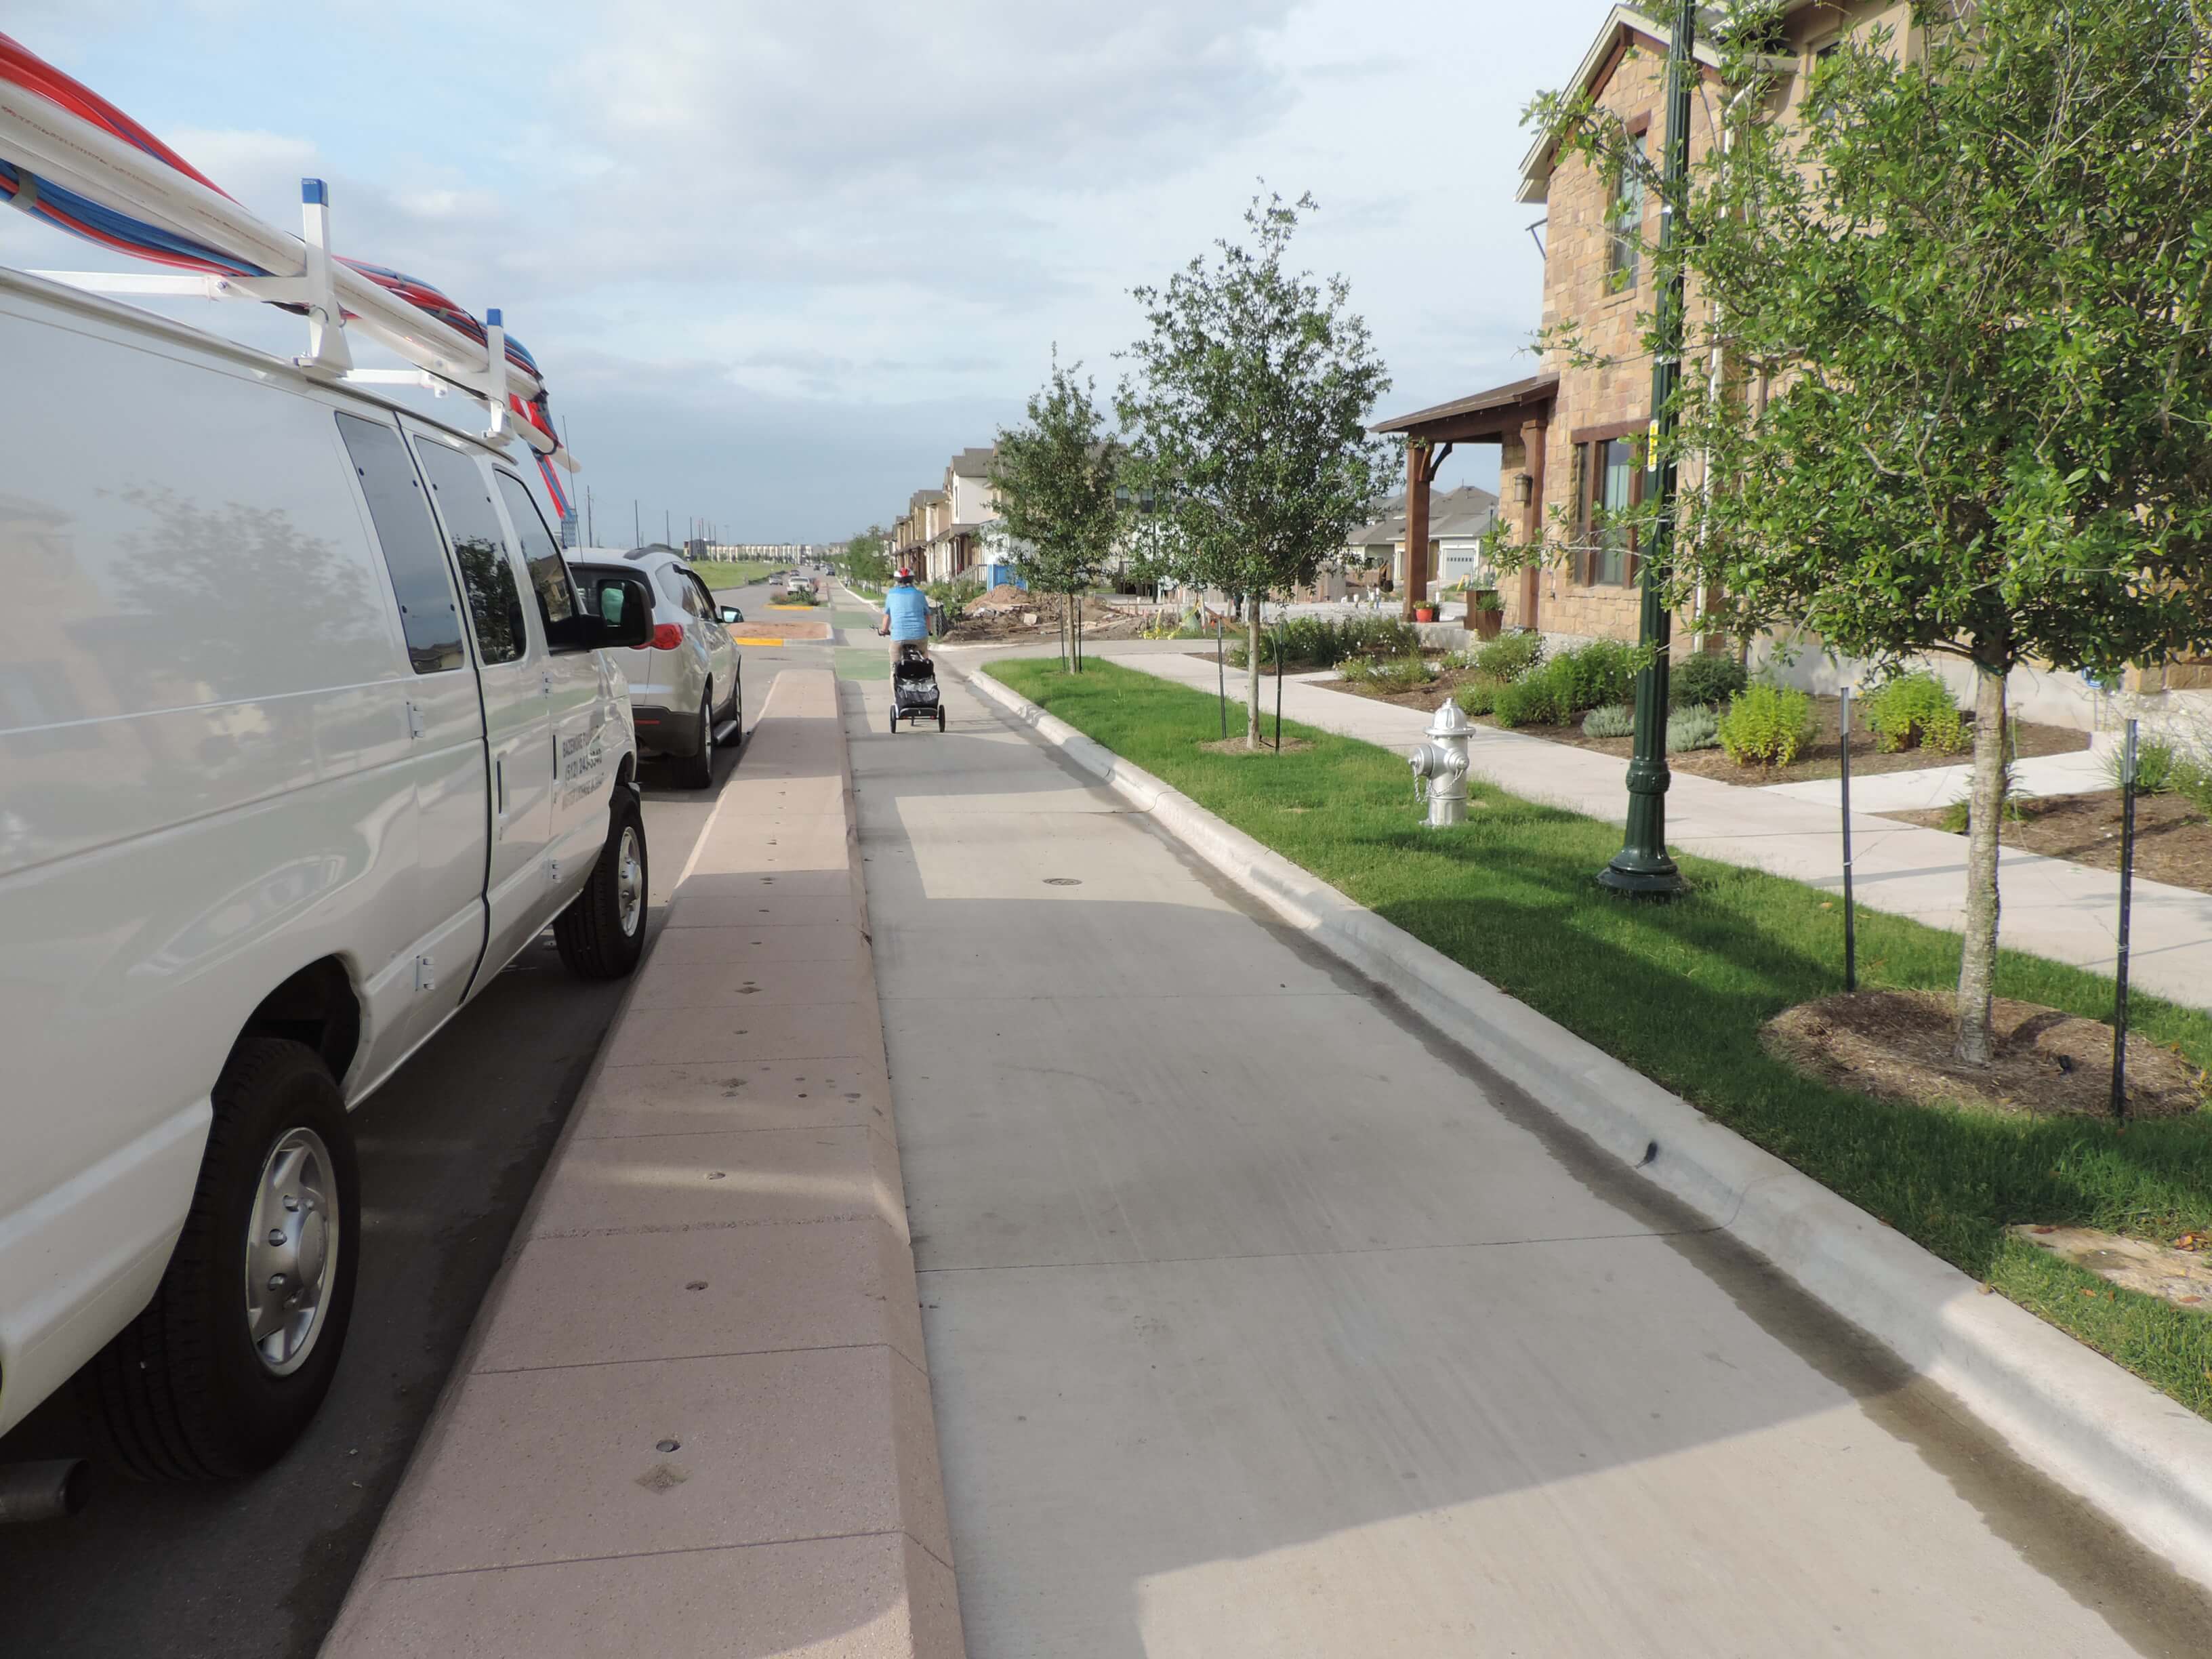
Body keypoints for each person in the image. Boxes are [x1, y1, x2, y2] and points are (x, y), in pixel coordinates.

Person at [879, 567, 930, 668]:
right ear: (912, 580)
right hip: (920, 635)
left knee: (894, 668)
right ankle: (926, 675)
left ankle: (895, 682)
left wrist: (883, 631)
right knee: (924, 661)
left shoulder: (891, 595)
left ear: (896, 581)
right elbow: (927, 616)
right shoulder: (920, 594)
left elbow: (887, 617)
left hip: (899, 637)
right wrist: (929, 630)